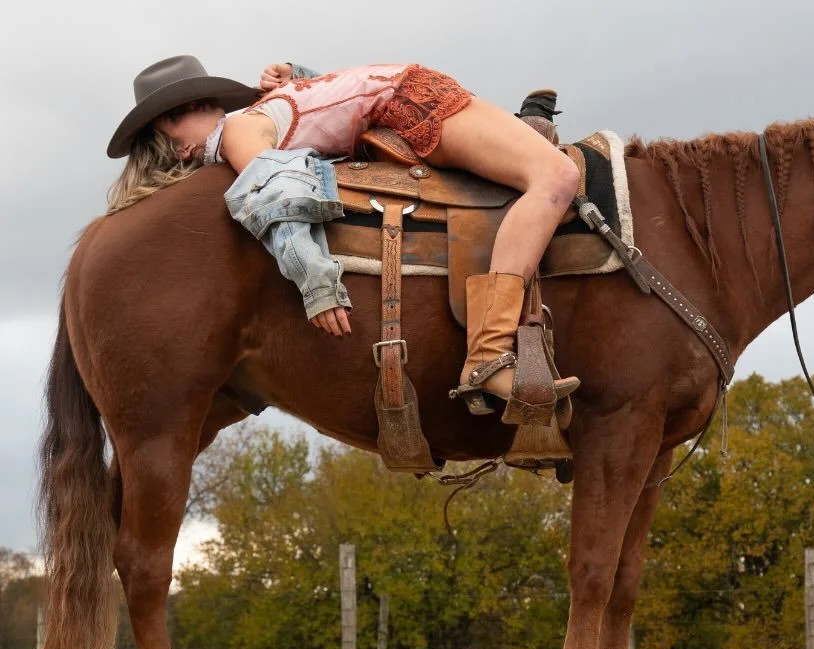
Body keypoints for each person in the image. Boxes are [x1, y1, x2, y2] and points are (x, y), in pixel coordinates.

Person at [106, 57, 581, 412]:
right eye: (177, 115)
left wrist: (295, 73)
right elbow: (279, 194)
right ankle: (490, 352)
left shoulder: (244, 125)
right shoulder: (239, 132)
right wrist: (317, 285)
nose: (197, 110)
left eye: (198, 101)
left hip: (408, 94)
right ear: (180, 144)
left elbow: (325, 106)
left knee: (537, 169)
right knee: (556, 177)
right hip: (410, 97)